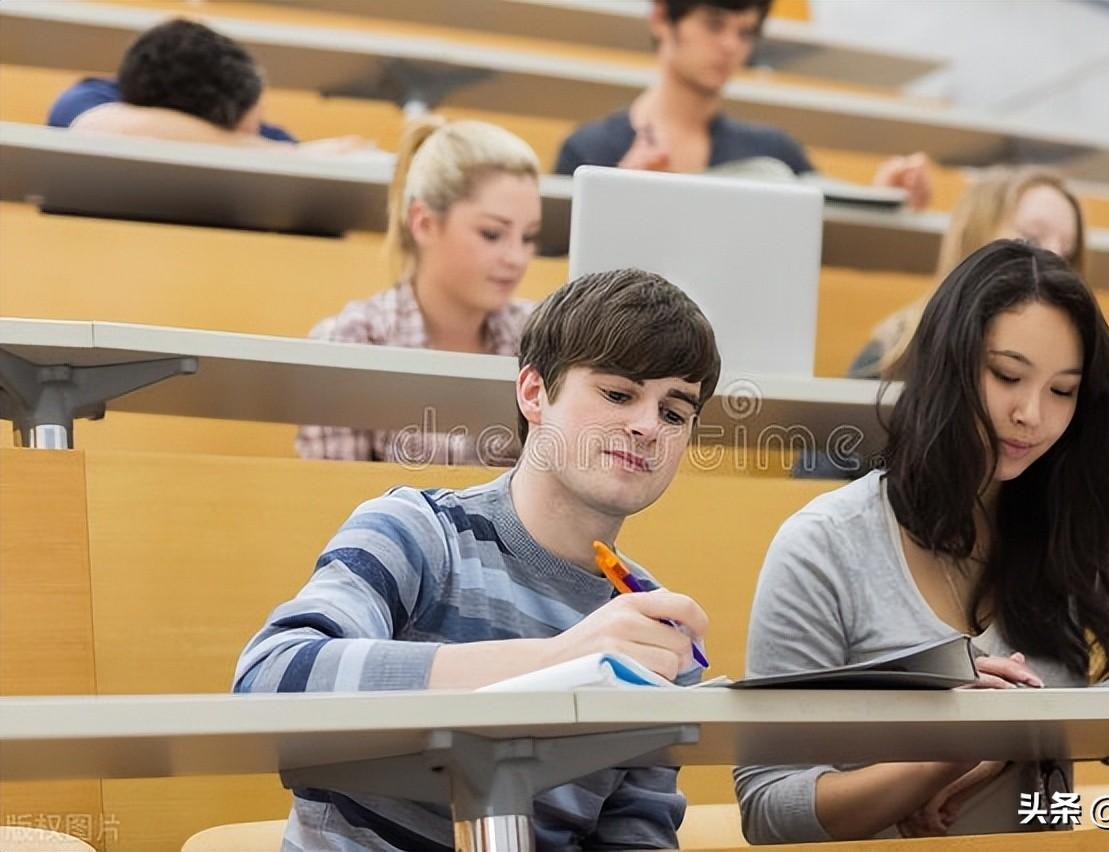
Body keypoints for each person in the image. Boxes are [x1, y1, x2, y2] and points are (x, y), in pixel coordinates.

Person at [735, 240, 1109, 843]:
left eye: (1063, 390)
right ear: (948, 365)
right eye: (1008, 376)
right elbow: (767, 809)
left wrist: (1020, 727)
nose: (1033, 414)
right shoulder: (825, 546)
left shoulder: (1077, 521)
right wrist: (936, 758)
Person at [236, 267, 722, 850]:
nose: (647, 426)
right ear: (533, 392)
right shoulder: (417, 530)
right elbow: (271, 680)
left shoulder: (653, 630)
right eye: (618, 394)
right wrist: (560, 661)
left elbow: (634, 835)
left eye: (674, 413)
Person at [798, 167, 1109, 483]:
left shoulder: (1075, 353)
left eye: (1067, 250)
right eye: (1032, 236)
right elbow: (818, 476)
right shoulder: (897, 348)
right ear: (975, 234)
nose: (1052, 258)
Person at [295, 118, 542, 464]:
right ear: (424, 222)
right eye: (491, 234)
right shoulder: (350, 339)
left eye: (528, 237)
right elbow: (331, 502)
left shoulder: (542, 337)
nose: (517, 258)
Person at [553, 0, 932, 210]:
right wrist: (619, 199)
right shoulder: (589, 150)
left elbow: (833, 222)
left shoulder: (773, 153)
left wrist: (887, 196)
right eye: (714, 24)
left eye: (745, 31)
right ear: (661, 19)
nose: (731, 46)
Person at [48, 18, 367, 154]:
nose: (261, 118)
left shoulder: (272, 137)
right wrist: (289, 156)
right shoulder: (93, 99)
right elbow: (93, 127)